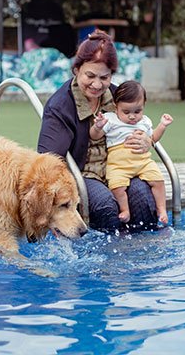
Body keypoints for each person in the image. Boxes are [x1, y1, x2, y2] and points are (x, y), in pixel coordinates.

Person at [37, 29, 159, 233]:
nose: (97, 84)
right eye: (90, 75)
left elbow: (139, 121)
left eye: (105, 77)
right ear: (77, 70)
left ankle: (143, 256)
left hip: (120, 168)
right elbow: (47, 161)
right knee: (106, 206)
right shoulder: (60, 106)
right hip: (84, 174)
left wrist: (148, 140)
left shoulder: (117, 96)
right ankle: (108, 259)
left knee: (143, 197)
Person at [90, 80, 173, 225]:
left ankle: (162, 209)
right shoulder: (110, 119)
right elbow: (94, 136)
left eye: (137, 111)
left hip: (143, 162)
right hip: (119, 165)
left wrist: (162, 126)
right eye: (126, 112)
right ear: (116, 107)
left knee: (158, 181)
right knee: (117, 186)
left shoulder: (144, 122)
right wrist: (97, 127)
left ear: (143, 107)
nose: (132, 116)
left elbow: (153, 138)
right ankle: (125, 210)